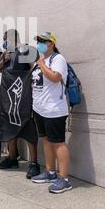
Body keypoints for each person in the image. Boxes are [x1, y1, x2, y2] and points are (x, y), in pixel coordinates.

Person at [0, 29, 40, 180]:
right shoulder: (5, 53)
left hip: (23, 97)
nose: (4, 41)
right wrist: (3, 60)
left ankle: (34, 163)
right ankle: (12, 158)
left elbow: (35, 68)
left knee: (28, 129)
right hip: (8, 97)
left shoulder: (25, 49)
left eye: (5, 38)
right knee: (9, 127)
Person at [31, 32, 72, 194]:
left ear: (51, 43)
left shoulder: (58, 59)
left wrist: (41, 64)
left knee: (59, 143)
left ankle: (65, 179)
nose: (39, 44)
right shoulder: (41, 62)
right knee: (46, 141)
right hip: (40, 109)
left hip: (54, 109)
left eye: (42, 41)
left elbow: (55, 77)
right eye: (38, 41)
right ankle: (50, 172)